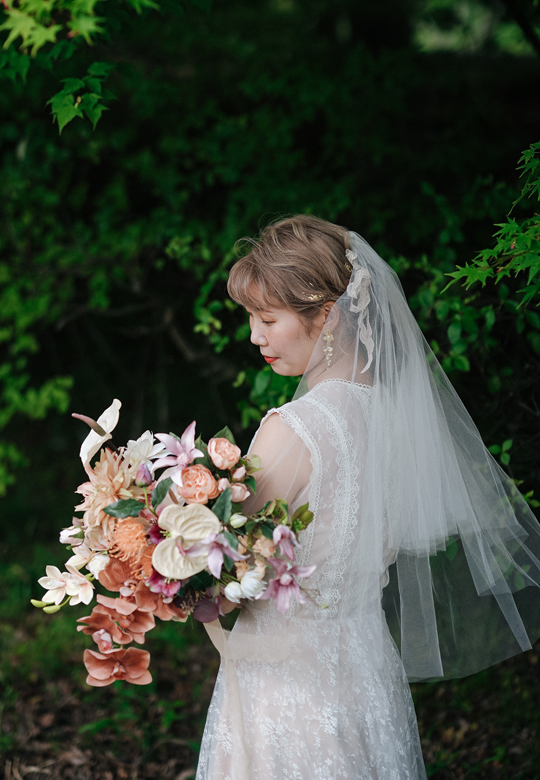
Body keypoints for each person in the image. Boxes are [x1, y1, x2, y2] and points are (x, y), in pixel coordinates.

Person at [196, 215, 540, 780]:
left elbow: (229, 587)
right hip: (366, 670)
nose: (255, 336)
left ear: (325, 315)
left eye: (266, 318)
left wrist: (163, 569)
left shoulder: (293, 429)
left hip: (286, 684)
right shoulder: (398, 419)